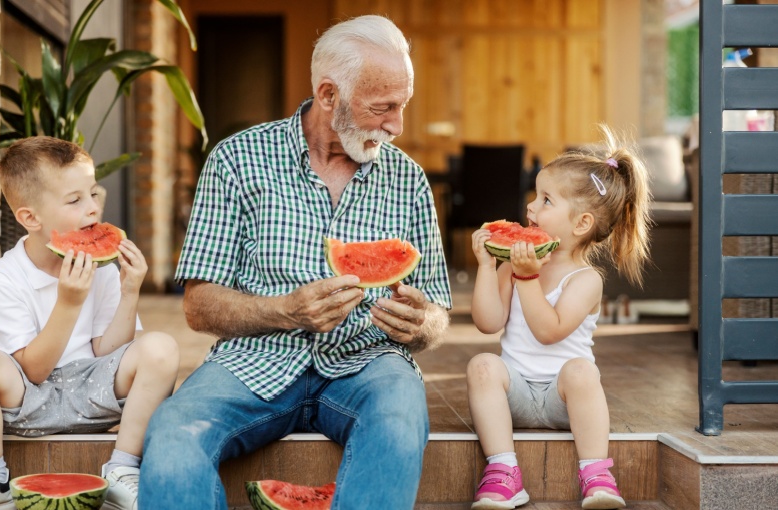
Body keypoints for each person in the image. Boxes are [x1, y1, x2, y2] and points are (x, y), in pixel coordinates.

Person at [139, 14, 451, 510]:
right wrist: (283, 311)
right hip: (253, 361)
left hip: (367, 363)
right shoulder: (236, 160)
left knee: (399, 418)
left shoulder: (408, 179)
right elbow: (199, 306)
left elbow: (437, 313)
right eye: (383, 107)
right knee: (173, 432)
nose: (397, 125)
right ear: (328, 95)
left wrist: (421, 323)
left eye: (403, 105)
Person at [0, 137, 180, 510]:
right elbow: (33, 369)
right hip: (28, 400)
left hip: (96, 396)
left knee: (162, 348)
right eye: (75, 200)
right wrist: (68, 303)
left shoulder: (102, 270)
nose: (93, 209)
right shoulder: (6, 278)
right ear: (30, 218)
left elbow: (108, 351)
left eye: (93, 194)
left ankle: (123, 469)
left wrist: (129, 291)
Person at [466, 126, 650, 510]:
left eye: (546, 200)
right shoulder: (513, 262)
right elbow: (488, 322)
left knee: (582, 371)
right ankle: (503, 472)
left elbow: (549, 331)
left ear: (581, 224)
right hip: (513, 393)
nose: (531, 207)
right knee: (482, 364)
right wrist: (487, 266)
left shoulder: (586, 280)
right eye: (535, 196)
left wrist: (527, 278)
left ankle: (597, 475)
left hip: (564, 400)